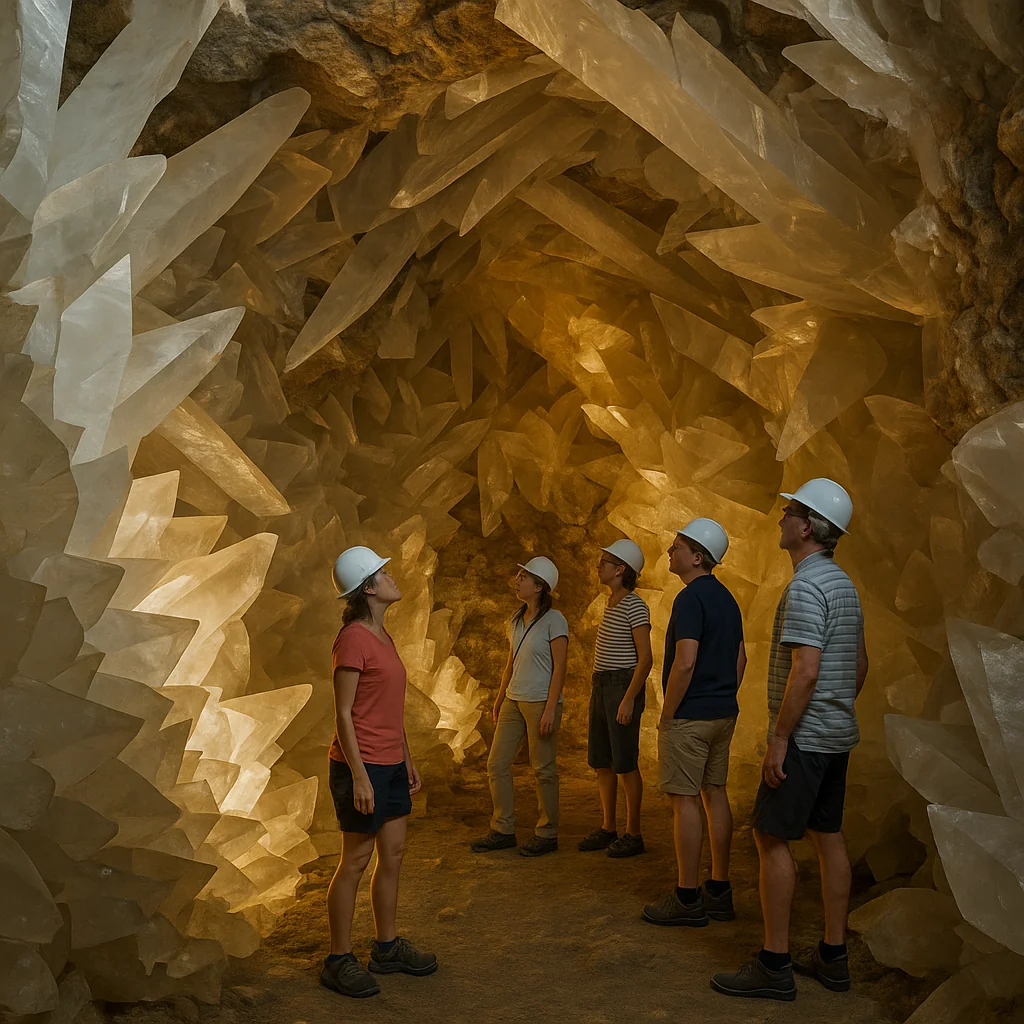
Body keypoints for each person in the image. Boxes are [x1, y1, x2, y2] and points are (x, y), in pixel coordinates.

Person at [712, 479, 867, 1002]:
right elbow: (858, 664)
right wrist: (836, 708)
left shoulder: (805, 586)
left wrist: (781, 738)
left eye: (788, 515)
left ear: (806, 527)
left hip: (804, 739)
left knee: (771, 838)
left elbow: (805, 671)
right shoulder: (843, 584)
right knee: (828, 837)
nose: (780, 521)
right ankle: (833, 956)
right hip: (837, 736)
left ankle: (774, 963)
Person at [321, 545, 437, 999]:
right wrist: (361, 777)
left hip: (389, 762)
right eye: (383, 573)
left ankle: (386, 949)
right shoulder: (352, 638)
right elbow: (344, 713)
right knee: (355, 859)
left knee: (394, 851)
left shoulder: (382, 636)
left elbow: (388, 707)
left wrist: (405, 755)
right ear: (368, 588)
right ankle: (338, 959)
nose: (392, 577)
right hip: (361, 765)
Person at [642, 519, 746, 927]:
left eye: (677, 547)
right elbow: (741, 660)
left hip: (691, 717)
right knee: (715, 792)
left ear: (697, 556)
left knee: (684, 799)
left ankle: (687, 897)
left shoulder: (689, 600)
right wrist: (724, 696)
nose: (670, 552)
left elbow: (684, 662)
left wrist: (669, 715)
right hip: (723, 713)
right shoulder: (727, 598)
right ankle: (719, 889)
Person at [471, 556, 569, 857]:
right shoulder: (515, 619)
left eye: (523, 576)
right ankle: (503, 828)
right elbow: (510, 663)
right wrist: (500, 699)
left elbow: (560, 667)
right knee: (496, 764)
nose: (517, 579)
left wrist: (551, 708)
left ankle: (547, 832)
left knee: (543, 769)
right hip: (514, 699)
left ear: (539, 587)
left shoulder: (555, 620)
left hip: (541, 701)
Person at [578, 538, 653, 858]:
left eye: (605, 562)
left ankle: (633, 833)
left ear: (621, 570)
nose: (599, 566)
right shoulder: (611, 603)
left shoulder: (635, 605)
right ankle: (609, 827)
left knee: (624, 763)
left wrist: (627, 699)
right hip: (602, 686)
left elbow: (645, 659)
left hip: (621, 687)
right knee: (603, 762)